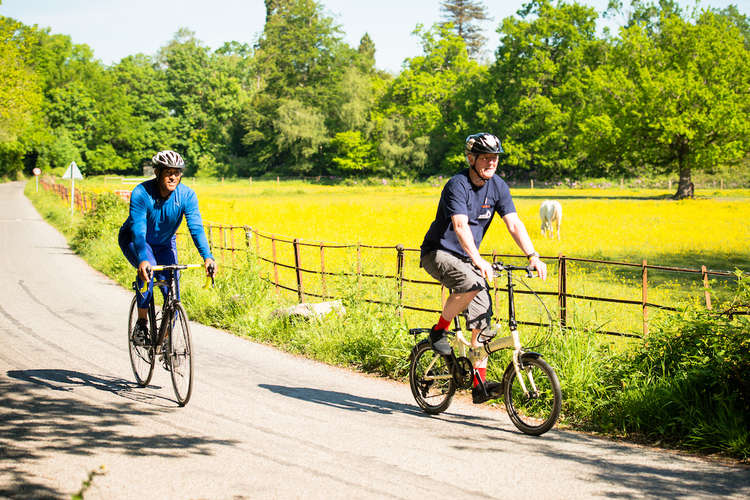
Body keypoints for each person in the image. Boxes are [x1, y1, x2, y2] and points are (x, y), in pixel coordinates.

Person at [420, 133, 547, 404]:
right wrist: (479, 260)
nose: (492, 162)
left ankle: (478, 385)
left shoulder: (498, 187)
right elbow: (460, 226)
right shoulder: (458, 185)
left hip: (468, 258)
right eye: (486, 158)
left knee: (481, 323)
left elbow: (513, 223)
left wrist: (533, 255)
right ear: (471, 159)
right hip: (439, 252)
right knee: (471, 281)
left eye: (495, 158)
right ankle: (438, 331)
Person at [119, 150, 216, 344]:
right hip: (136, 240)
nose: (173, 176)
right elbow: (138, 230)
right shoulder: (141, 193)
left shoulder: (187, 196)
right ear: (157, 172)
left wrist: (207, 256)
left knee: (173, 290)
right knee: (149, 271)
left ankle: (163, 341)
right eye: (167, 172)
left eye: (177, 172)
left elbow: (195, 227)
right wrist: (143, 259)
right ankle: (141, 323)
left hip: (165, 242)